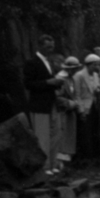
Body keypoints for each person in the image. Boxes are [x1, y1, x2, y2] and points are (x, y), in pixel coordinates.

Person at [22, 34, 60, 172]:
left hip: (52, 103)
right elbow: (28, 84)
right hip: (39, 105)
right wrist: (47, 82)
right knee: (42, 136)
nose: (50, 49)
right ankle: (44, 166)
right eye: (48, 46)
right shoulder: (32, 62)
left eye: (52, 46)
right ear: (40, 46)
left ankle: (53, 164)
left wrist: (58, 82)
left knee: (55, 134)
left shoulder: (50, 62)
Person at [73, 53, 100, 163]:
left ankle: (96, 159)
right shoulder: (79, 76)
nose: (98, 67)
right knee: (85, 133)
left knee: (96, 132)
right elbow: (77, 95)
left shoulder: (97, 75)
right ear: (90, 65)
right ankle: (85, 159)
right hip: (85, 107)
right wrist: (81, 111)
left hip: (95, 107)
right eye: (96, 65)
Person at [50, 56, 80, 174]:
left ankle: (63, 167)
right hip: (61, 113)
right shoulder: (60, 78)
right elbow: (56, 97)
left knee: (68, 138)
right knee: (60, 138)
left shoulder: (71, 79)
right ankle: (57, 165)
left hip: (70, 114)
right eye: (74, 68)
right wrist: (70, 103)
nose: (75, 71)